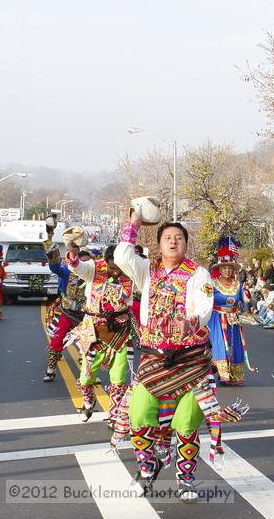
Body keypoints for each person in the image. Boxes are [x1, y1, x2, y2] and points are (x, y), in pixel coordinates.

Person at [114, 210, 245, 501]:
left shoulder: (198, 274)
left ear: (186, 244)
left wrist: (192, 320)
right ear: (159, 244)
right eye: (167, 238)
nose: (173, 242)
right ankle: (147, 468)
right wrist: (133, 223)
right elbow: (122, 256)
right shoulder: (146, 269)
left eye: (178, 238)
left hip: (191, 361)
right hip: (154, 359)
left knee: (186, 423)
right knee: (138, 415)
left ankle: (186, 478)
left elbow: (205, 304)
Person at [66, 243, 134, 423]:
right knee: (87, 376)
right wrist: (73, 255)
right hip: (93, 329)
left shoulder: (132, 272)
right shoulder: (94, 269)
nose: (116, 272)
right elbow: (78, 268)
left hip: (119, 329)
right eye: (112, 267)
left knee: (119, 377)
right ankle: (88, 401)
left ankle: (116, 414)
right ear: (106, 262)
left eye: (119, 268)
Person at [43, 223, 91, 381]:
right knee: (56, 340)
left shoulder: (94, 275)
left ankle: (87, 372)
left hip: (86, 315)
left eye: (87, 264)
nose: (83, 267)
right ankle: (50, 369)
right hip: (67, 312)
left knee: (88, 344)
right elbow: (55, 267)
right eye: (80, 263)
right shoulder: (66, 271)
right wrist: (51, 246)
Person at [208, 237, 252, 386]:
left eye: (230, 268)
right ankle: (220, 372)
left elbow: (244, 304)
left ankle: (232, 374)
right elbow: (205, 301)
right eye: (224, 267)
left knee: (234, 345)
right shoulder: (212, 284)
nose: (227, 270)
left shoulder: (238, 284)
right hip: (216, 320)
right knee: (220, 346)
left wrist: (247, 297)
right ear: (219, 269)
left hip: (233, 319)